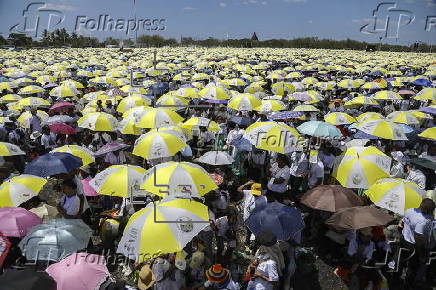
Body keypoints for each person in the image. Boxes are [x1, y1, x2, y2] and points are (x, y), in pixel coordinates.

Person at [398, 198, 435, 288]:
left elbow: (402, 224)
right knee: (414, 266)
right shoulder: (423, 220)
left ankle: (398, 279)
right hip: (414, 246)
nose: (432, 211)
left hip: (404, 241)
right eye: (431, 210)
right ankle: (409, 285)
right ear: (426, 209)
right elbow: (418, 238)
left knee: (401, 262)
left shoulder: (409, 210)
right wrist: (421, 254)